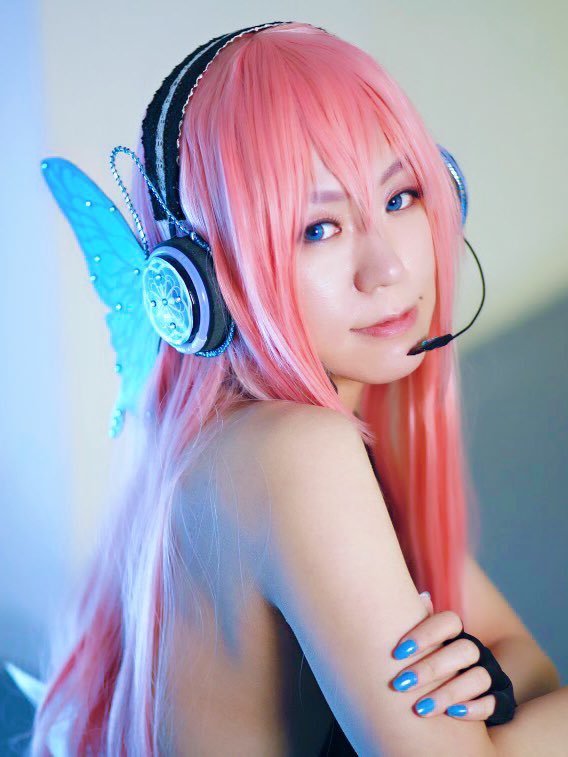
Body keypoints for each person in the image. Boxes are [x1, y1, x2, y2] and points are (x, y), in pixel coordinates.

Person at [12, 19, 567, 756]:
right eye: (318, 229)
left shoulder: (243, 439)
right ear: (199, 285)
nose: (388, 269)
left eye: (401, 197)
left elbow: (527, 665)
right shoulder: (297, 452)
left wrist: (493, 683)